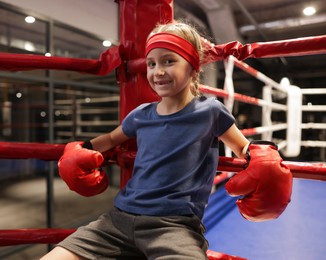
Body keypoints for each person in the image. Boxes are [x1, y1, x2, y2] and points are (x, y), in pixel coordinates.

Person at [41, 21, 292, 260]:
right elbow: (110, 139)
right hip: (118, 220)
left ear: (193, 67)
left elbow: (241, 147)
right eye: (151, 64)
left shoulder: (210, 112)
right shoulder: (141, 114)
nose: (158, 71)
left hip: (174, 225)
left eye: (168, 61)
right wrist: (77, 151)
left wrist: (266, 159)